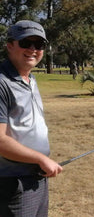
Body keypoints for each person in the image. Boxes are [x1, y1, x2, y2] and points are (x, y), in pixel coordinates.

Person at [0, 20, 63, 216]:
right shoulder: (2, 82)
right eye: (26, 43)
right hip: (12, 182)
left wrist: (40, 161)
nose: (33, 50)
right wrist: (40, 158)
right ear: (10, 45)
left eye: (39, 45)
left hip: (37, 176)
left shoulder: (30, 79)